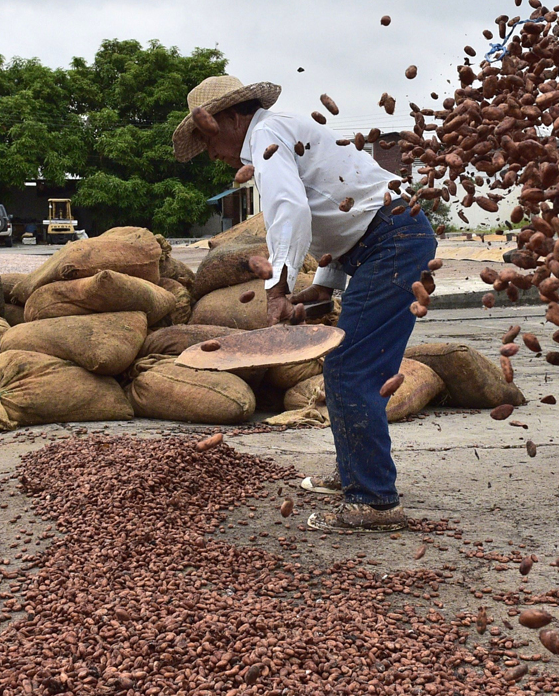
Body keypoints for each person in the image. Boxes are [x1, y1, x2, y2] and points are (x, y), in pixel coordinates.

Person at [173, 75, 436, 532]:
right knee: (349, 363)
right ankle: (357, 472)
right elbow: (339, 210)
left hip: (394, 239)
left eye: (209, 138)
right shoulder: (284, 131)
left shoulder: (267, 135)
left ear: (232, 119)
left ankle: (374, 503)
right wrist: (323, 286)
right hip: (385, 238)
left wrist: (278, 286)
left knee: (353, 367)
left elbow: (290, 210)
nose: (213, 155)